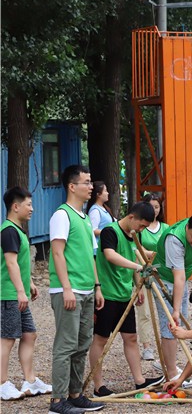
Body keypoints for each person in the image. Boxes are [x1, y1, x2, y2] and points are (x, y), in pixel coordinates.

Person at [88, 201, 163, 397]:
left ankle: (139, 380)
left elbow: (136, 255)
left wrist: (137, 285)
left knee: (131, 337)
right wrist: (138, 268)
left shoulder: (134, 234)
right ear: (131, 217)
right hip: (107, 294)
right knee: (101, 339)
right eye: (141, 225)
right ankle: (98, 386)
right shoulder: (110, 231)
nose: (141, 229)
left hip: (125, 293)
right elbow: (110, 255)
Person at [48, 165, 105, 413]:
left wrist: (97, 286)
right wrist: (66, 288)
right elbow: (57, 253)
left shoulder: (84, 217)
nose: (91, 187)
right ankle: (57, 400)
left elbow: (91, 256)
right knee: (66, 345)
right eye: (87, 182)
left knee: (82, 345)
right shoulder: (62, 215)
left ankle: (75, 394)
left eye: (91, 182)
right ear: (72, 186)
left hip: (87, 290)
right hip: (68, 291)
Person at [1, 187, 52, 401]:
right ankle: (2, 383)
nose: (32, 209)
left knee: (29, 334)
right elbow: (10, 263)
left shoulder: (18, 231)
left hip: (18, 293)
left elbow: (20, 263)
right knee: (7, 339)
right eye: (28, 205)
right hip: (9, 294)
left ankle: (30, 380)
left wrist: (29, 282)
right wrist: (20, 292)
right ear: (15, 206)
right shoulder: (8, 231)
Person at [150, 213, 192, 385]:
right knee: (171, 326)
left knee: (179, 326)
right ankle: (171, 373)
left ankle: (169, 363)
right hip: (165, 280)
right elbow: (178, 276)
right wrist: (176, 310)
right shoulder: (174, 239)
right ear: (187, 228)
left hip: (181, 279)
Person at [137, 193, 169, 361]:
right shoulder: (141, 228)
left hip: (162, 273)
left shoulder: (166, 228)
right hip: (144, 272)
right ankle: (147, 347)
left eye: (157, 207)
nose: (154, 210)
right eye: (151, 207)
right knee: (145, 312)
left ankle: (167, 343)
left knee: (165, 309)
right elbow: (136, 247)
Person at [87, 181, 115, 256]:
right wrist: (109, 232)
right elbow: (93, 230)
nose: (107, 193)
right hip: (98, 250)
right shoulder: (95, 210)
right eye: (105, 191)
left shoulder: (104, 208)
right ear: (98, 194)